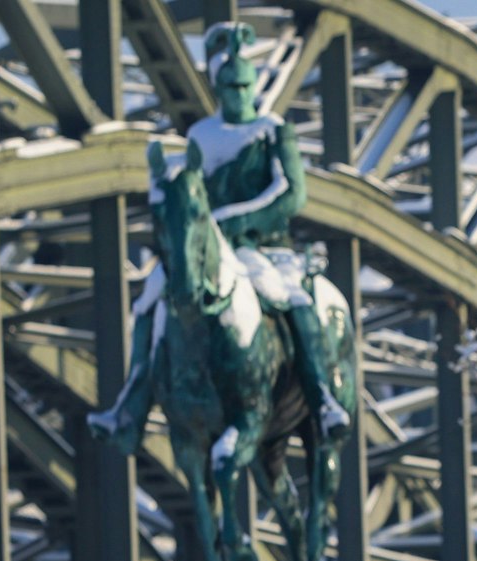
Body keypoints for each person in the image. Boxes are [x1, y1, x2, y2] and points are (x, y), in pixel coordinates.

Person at [88, 20, 349, 448]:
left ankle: (321, 397)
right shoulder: (201, 137)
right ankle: (131, 406)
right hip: (211, 251)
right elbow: (192, 195)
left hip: (265, 248)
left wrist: (234, 220)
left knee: (294, 300)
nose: (239, 95)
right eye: (231, 88)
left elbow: (291, 194)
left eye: (245, 87)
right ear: (219, 89)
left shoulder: (271, 130)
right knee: (151, 300)